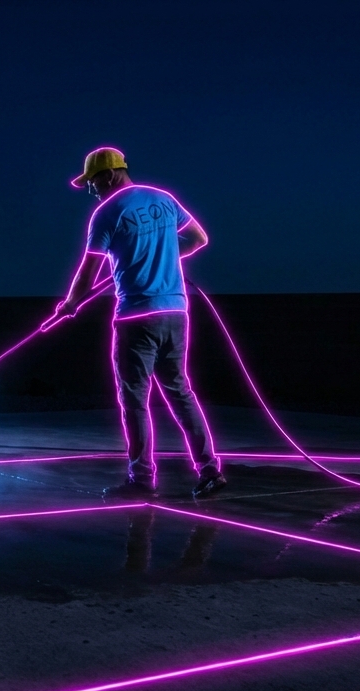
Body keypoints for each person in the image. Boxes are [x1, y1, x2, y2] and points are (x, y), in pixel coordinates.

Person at [51, 147, 226, 500]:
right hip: (176, 313)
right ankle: (209, 470)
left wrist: (69, 305)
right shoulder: (164, 200)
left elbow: (87, 275)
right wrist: (158, 253)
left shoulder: (106, 213)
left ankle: (142, 480)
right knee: (180, 391)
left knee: (134, 400)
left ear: (112, 174)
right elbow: (198, 239)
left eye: (94, 181)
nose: (91, 189)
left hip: (135, 317)